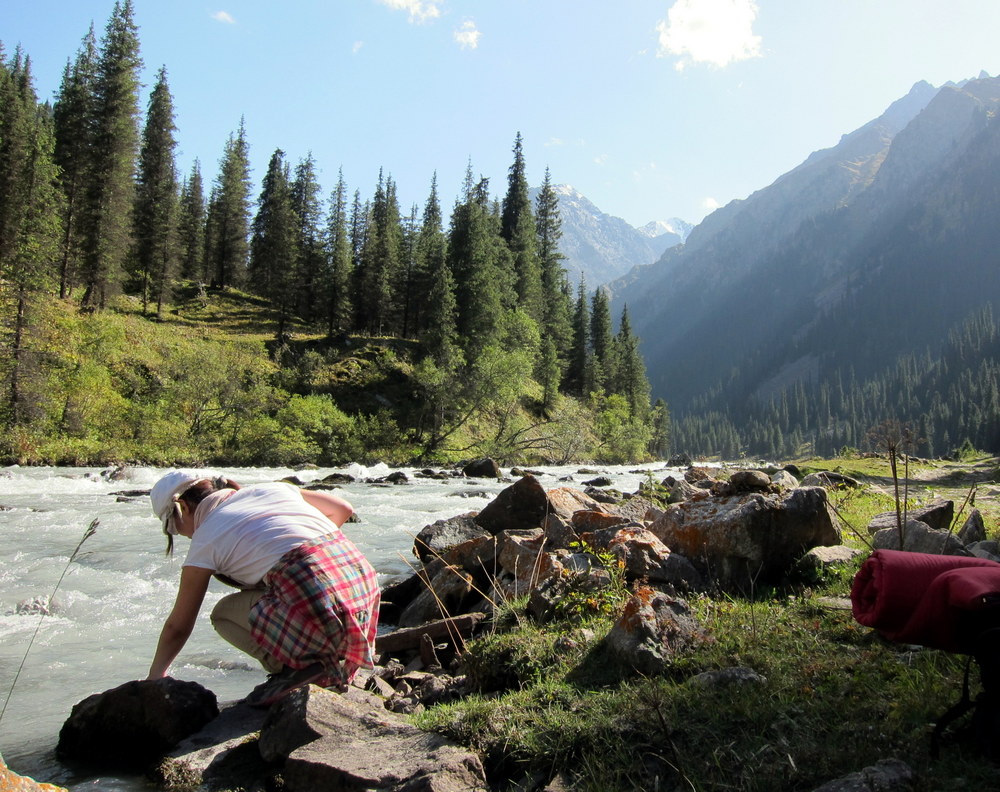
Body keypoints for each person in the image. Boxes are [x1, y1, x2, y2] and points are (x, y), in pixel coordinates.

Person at [147, 470, 380, 706]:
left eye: (174, 528)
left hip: (319, 604)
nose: (182, 535)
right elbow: (343, 509)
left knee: (223, 614)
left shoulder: (205, 538)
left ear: (184, 508)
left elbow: (178, 626)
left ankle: (304, 667)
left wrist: (155, 676)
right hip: (362, 594)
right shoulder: (274, 488)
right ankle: (335, 651)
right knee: (286, 585)